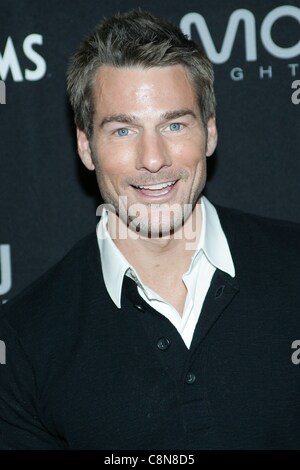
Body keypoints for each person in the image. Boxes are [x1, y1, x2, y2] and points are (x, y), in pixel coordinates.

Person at [0, 9, 300, 451]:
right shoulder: (24, 342)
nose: (154, 158)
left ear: (210, 132)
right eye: (123, 130)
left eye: (174, 124)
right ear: (86, 146)